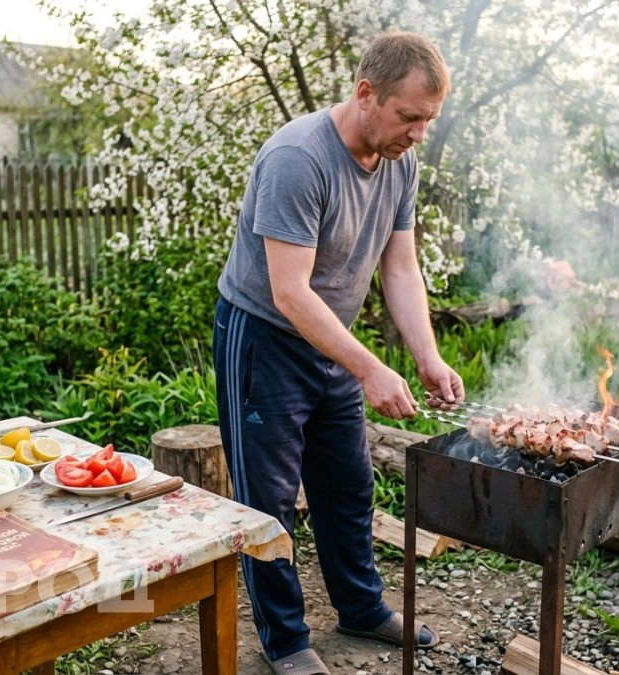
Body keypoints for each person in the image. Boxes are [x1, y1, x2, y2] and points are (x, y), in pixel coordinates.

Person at [212, 30, 465, 675]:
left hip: (331, 343)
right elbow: (290, 292)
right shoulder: (299, 158)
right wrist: (371, 368)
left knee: (347, 485)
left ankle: (360, 608)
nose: (417, 133)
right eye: (409, 117)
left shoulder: (400, 161)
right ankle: (287, 641)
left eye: (427, 121)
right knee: (267, 501)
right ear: (365, 93)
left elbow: (401, 269)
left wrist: (427, 357)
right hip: (265, 339)